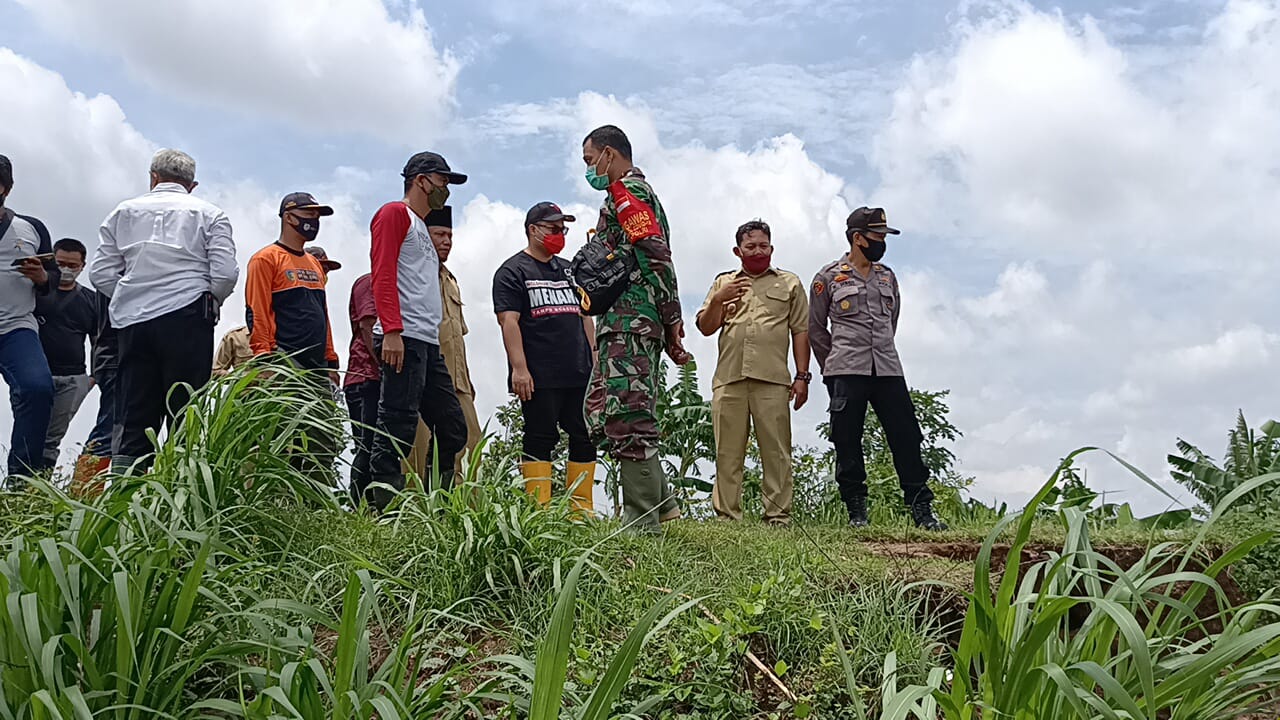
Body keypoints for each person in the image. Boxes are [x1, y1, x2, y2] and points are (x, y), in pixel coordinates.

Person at [91, 149, 238, 474]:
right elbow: (225, 273)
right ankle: (181, 500)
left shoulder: (123, 212)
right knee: (186, 414)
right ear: (192, 184)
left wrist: (130, 297)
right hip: (188, 318)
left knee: (133, 419)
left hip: (134, 324)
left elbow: (100, 273)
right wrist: (209, 301)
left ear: (153, 177)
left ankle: (124, 505)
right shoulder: (210, 214)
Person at [579, 125, 691, 533]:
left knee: (629, 414)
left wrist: (672, 319)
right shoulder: (620, 196)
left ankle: (642, 522)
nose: (590, 170)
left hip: (633, 319)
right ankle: (663, 504)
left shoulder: (629, 194)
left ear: (609, 154)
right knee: (597, 411)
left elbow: (656, 256)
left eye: (591, 160)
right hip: (616, 321)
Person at [808, 207, 946, 530]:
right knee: (847, 440)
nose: (882, 242)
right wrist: (833, 367)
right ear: (858, 238)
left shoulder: (887, 276)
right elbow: (816, 330)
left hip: (887, 368)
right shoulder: (827, 277)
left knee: (907, 436)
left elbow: (891, 321)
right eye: (877, 237)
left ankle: (922, 510)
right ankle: (857, 512)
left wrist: (878, 350)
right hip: (846, 369)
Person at [364, 151, 468, 507]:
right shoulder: (394, 214)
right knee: (397, 425)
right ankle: (384, 510)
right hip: (402, 337)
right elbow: (382, 273)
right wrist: (391, 330)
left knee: (453, 427)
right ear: (421, 180)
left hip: (426, 341)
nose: (446, 190)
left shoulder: (421, 227)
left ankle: (435, 506)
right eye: (442, 182)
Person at [696, 220, 810, 526]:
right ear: (738, 250)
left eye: (763, 246)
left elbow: (800, 331)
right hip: (729, 380)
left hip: (773, 381)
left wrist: (802, 376)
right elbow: (705, 328)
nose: (758, 251)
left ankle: (777, 517)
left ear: (772, 248)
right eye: (750, 247)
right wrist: (720, 299)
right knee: (727, 454)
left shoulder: (790, 284)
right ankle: (726, 517)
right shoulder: (723, 283)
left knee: (776, 453)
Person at [494, 202, 597, 511]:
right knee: (540, 437)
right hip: (539, 375)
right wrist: (519, 369)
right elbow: (508, 321)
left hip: (578, 372)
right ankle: (539, 510)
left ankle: (580, 511)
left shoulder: (569, 269)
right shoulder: (512, 271)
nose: (559, 234)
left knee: (584, 435)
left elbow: (585, 316)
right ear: (533, 230)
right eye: (553, 228)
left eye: (563, 229)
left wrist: (594, 360)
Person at [406, 206, 483, 481]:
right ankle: (416, 514)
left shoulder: (451, 280)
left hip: (458, 382)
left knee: (471, 441)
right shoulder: (413, 276)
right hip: (425, 377)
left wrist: (467, 382)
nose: (446, 241)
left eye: (450, 235)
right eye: (439, 234)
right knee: (420, 448)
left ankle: (462, 514)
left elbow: (458, 337)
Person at [0, 153, 59, 481]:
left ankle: (22, 483)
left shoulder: (31, 228)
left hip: (15, 327)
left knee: (37, 389)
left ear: (6, 189)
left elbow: (52, 281)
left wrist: (40, 277)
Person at [244, 193, 340, 378]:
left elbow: (323, 313)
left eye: (317, 217)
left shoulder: (314, 263)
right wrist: (264, 357)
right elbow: (257, 311)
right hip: (284, 359)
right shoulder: (265, 259)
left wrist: (330, 358)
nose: (314, 221)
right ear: (288, 217)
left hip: (317, 364)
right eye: (308, 214)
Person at [34, 238, 102, 470]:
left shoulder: (91, 300)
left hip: (73, 379)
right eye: (61, 263)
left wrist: (93, 378)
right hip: (36, 376)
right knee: (29, 432)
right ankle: (18, 486)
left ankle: (37, 489)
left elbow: (98, 341)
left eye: (73, 266)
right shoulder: (35, 292)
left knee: (51, 439)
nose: (66, 270)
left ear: (83, 266)